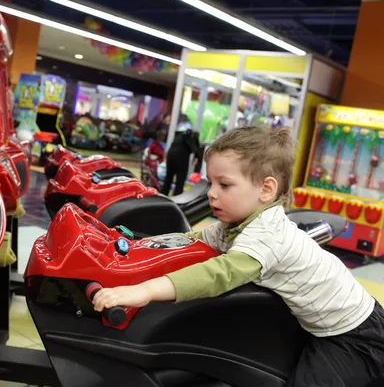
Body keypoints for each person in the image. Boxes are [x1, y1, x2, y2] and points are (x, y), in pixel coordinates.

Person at [93, 126, 384, 387]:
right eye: (210, 183)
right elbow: (189, 242)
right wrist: (129, 245)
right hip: (320, 324)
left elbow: (219, 274)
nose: (211, 194)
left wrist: (143, 291)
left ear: (266, 189)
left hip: (354, 336)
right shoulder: (233, 226)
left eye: (225, 185)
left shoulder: (266, 235)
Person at [160, 119, 201, 196]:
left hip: (171, 156)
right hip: (181, 159)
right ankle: (177, 197)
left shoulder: (179, 136)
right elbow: (196, 147)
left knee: (168, 177)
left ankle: (163, 194)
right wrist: (196, 156)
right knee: (180, 179)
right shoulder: (191, 136)